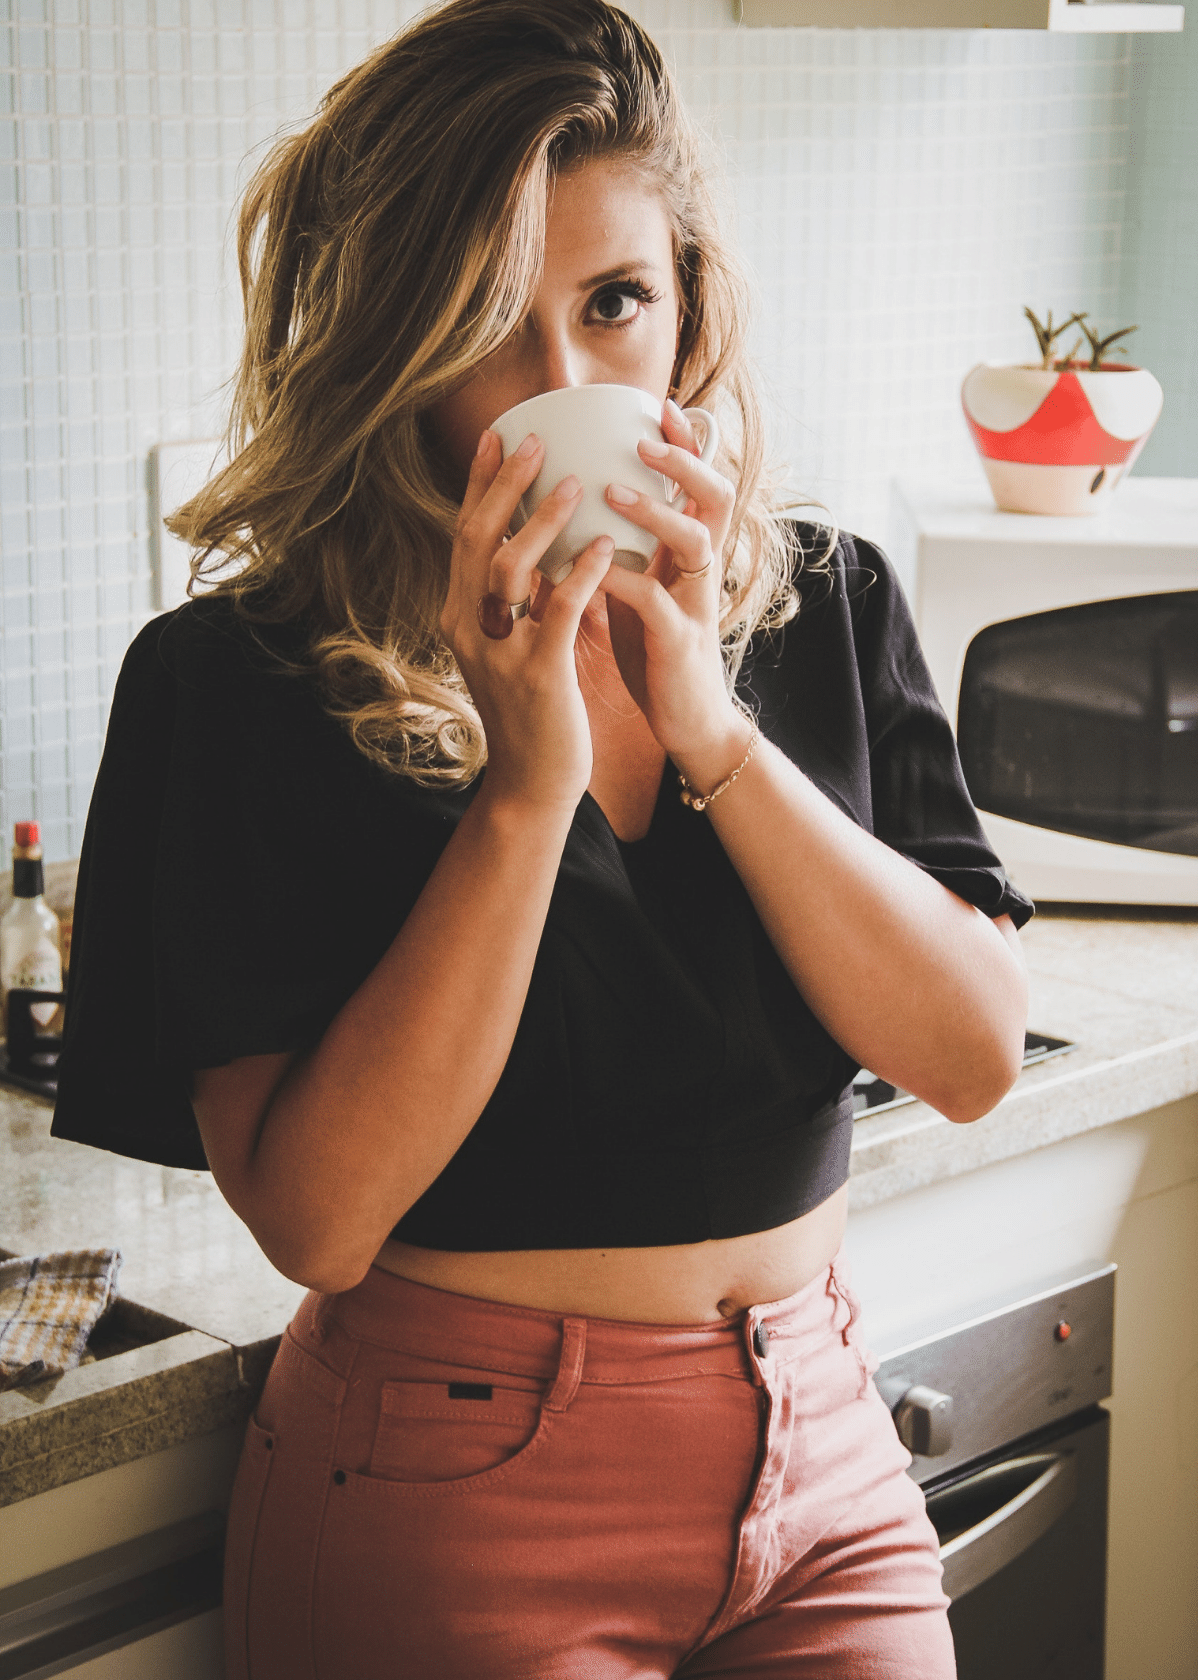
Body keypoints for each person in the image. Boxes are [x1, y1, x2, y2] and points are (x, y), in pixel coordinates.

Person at [53, 2, 1033, 1675]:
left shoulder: (824, 602)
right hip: (452, 1489)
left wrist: (712, 728)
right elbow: (318, 1223)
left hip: (823, 1455)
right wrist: (527, 788)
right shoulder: (237, 681)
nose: (564, 388)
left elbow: (973, 1054)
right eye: (487, 325)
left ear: (689, 304)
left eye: (615, 303)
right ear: (392, 341)